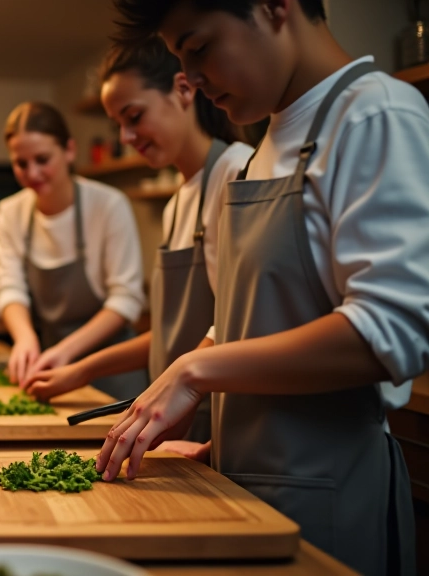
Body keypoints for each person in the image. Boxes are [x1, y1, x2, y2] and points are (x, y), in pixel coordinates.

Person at [97, 1, 427, 573]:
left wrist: (192, 372)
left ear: (276, 6)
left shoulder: (375, 113)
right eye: (181, 59)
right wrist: (216, 442)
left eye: (199, 49)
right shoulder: (264, 150)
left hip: (325, 497)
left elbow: (392, 330)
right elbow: (241, 321)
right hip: (243, 488)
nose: (194, 82)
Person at [21, 38, 254, 447]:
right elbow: (170, 335)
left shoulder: (237, 173)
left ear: (183, 90)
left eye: (134, 116)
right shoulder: (178, 202)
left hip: (213, 422)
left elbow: (237, 327)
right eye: (118, 126)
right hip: (177, 419)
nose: (126, 136)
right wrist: (81, 371)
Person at [0, 101, 148, 401]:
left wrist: (66, 352)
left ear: (69, 151)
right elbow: (10, 287)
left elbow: (126, 299)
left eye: (42, 159)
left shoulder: (108, 206)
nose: (32, 173)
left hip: (113, 372)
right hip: (49, 369)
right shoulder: (11, 212)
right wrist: (24, 338)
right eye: (21, 164)